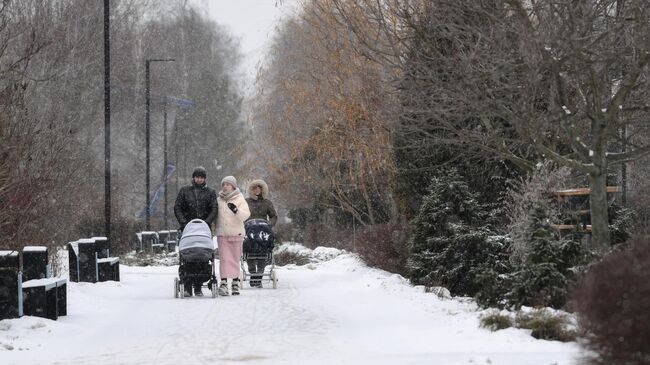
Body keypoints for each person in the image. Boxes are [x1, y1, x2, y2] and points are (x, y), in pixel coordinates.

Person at [173, 166, 217, 296]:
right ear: (193, 178)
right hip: (187, 229)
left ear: (204, 179)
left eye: (201, 177)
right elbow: (178, 207)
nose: (199, 179)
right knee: (188, 257)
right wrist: (184, 223)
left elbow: (214, 209)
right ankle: (187, 286)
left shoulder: (210, 192)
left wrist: (206, 222)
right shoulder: (185, 191)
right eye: (197, 177)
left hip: (204, 230)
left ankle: (198, 286)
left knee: (202, 257)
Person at [215, 176, 250, 296]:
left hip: (236, 233)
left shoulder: (240, 198)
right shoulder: (219, 200)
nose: (225, 186)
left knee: (235, 259)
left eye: (227, 184)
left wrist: (236, 210)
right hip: (223, 233)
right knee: (224, 259)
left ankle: (235, 282)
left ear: (233, 186)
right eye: (223, 184)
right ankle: (224, 283)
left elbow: (246, 215)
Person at [245, 179, 278, 288]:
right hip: (249, 230)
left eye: (259, 188)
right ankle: (252, 272)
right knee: (249, 249)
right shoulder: (246, 202)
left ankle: (258, 275)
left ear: (263, 189)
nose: (257, 190)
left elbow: (274, 216)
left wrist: (269, 224)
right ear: (251, 190)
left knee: (263, 250)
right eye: (255, 188)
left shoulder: (267, 202)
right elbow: (241, 215)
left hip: (264, 230)